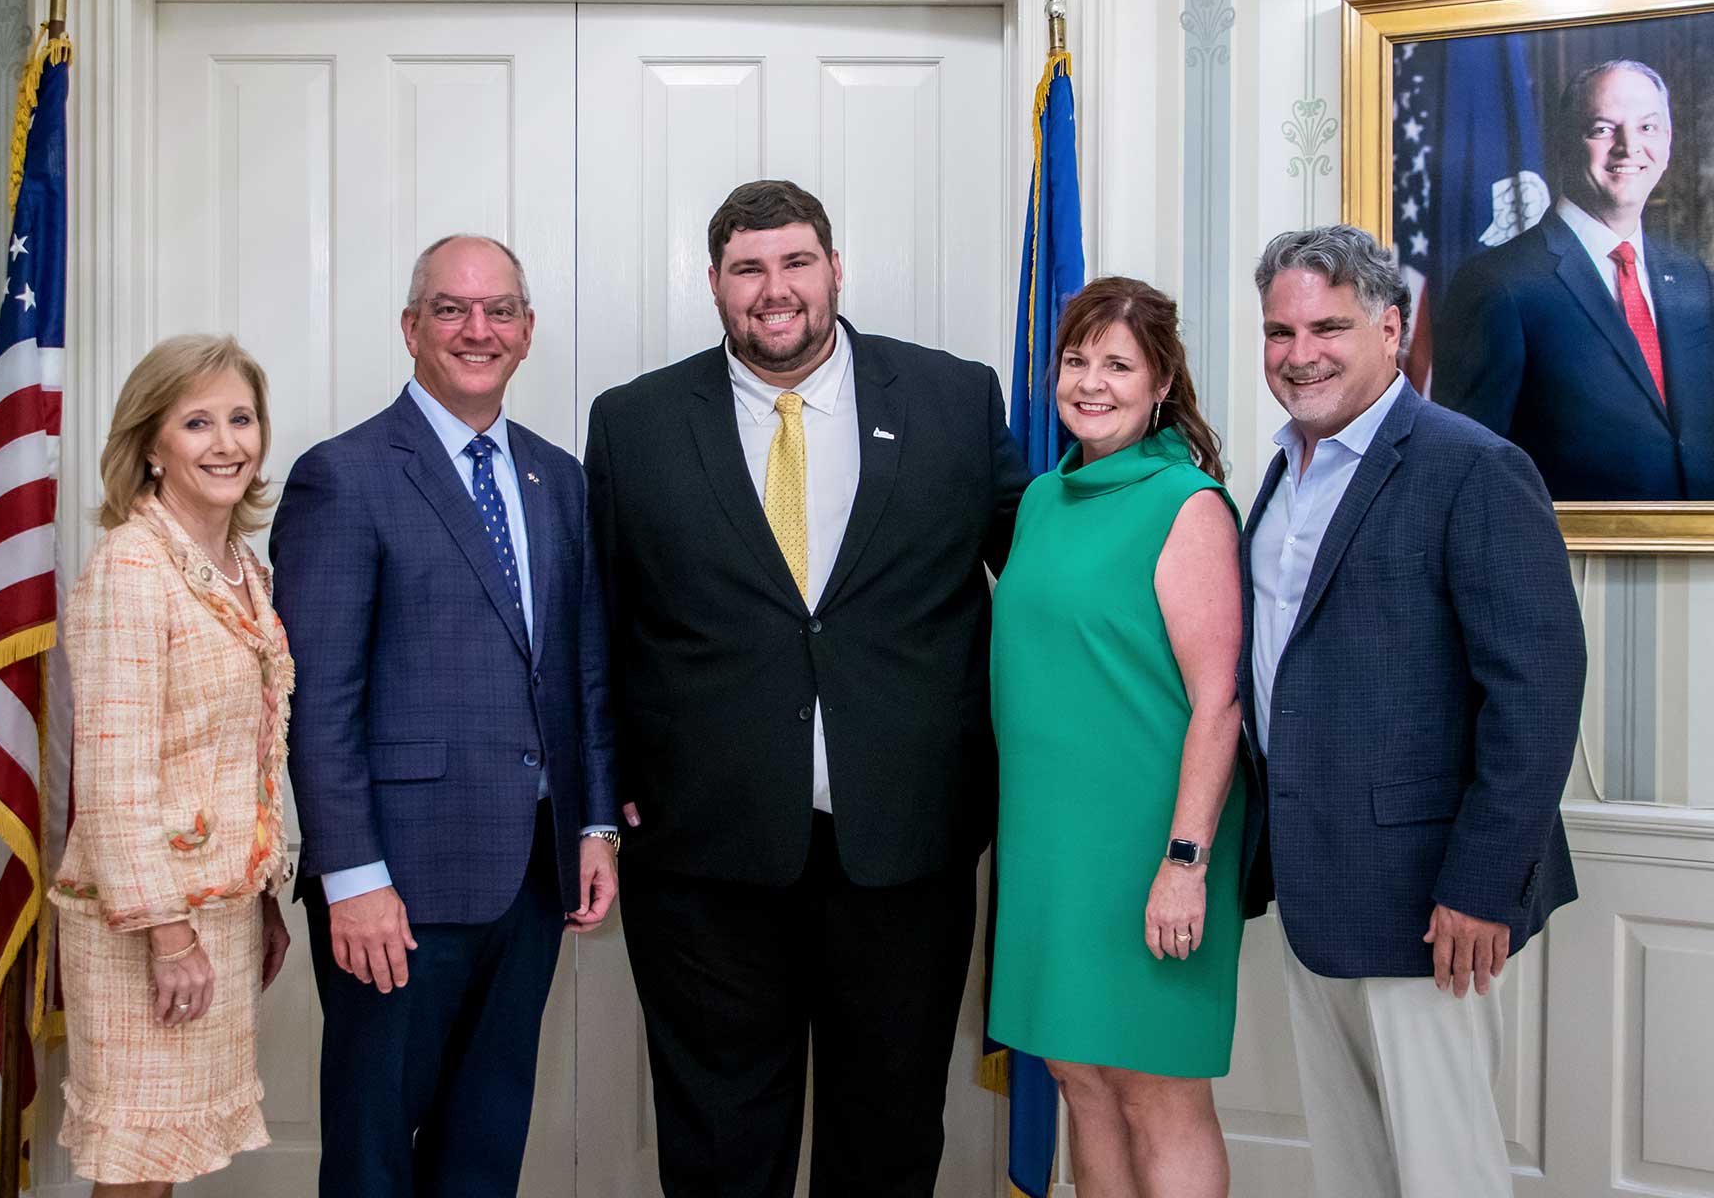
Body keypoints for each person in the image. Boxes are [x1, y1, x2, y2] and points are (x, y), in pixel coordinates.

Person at [585, 179, 1031, 1198]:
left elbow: (1044, 579)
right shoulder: (637, 422)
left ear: (835, 267)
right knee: (720, 1141)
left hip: (904, 844)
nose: (773, 288)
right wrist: (600, 793)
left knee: (888, 1129)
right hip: (703, 856)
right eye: (748, 267)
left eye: (794, 261)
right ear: (713, 284)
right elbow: (597, 627)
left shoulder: (954, 400)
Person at [269, 234, 618, 1198]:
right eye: (453, 309)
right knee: (377, 1151)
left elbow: (580, 670)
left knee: (485, 1143)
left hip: (533, 876)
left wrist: (593, 822)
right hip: (399, 888)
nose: (478, 330)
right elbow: (318, 702)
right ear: (411, 327)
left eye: (500, 310)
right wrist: (353, 878)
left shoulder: (557, 476)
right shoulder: (342, 476)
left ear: (528, 331)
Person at [1243, 225, 1586, 1198]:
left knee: (1447, 1171)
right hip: (1318, 885)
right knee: (1353, 1166)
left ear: (1392, 327)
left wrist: (1482, 883)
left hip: (1433, 902)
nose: (1299, 351)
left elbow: (1537, 690)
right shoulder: (1282, 473)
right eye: (1278, 329)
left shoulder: (1471, 466)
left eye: (1328, 326)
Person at [988, 277, 1251, 1198]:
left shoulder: (1188, 505)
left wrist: (1184, 861)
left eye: (1118, 364)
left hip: (1151, 846)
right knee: (1079, 1078)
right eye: (1076, 359)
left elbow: (1219, 701)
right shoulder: (1040, 500)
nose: (1091, 382)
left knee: (1155, 1090)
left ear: (1162, 380)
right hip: (1050, 848)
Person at [50, 333, 295, 1195]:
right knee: (137, 1167)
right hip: (146, 924)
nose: (228, 442)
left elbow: (242, 754)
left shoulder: (240, 569)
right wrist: (168, 934)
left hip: (219, 908)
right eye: (198, 422)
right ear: (151, 445)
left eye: (241, 417)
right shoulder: (131, 567)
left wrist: (260, 897)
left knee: (176, 1160)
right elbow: (114, 781)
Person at [1433, 58, 1714, 500]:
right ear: (1565, 142)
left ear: (1669, 141)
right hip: (1569, 557)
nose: (1628, 147)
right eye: (1603, 129)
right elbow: (1463, 467)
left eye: (1647, 127)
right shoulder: (1497, 283)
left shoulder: (1692, 278)